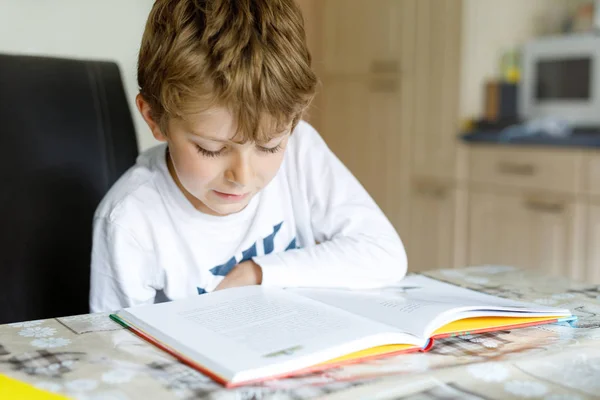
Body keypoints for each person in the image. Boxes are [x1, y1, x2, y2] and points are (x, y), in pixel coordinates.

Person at [89, 0, 407, 313]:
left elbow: (385, 255)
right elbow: (116, 347)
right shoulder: (129, 221)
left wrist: (256, 274)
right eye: (211, 149)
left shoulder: (301, 151)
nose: (242, 176)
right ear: (155, 119)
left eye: (269, 146)